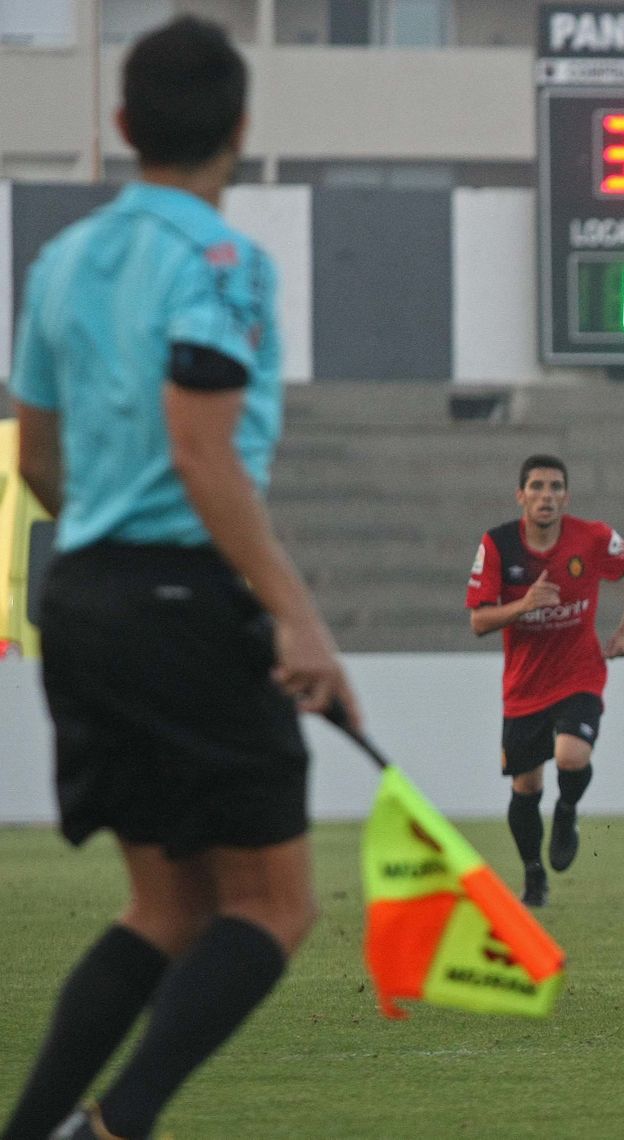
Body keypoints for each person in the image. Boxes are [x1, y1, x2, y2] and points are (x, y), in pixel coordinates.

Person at [2, 18, 360, 1140]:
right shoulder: (223, 262)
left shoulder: (62, 259)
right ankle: (120, 1127)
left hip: (83, 594)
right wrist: (300, 621)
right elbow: (203, 454)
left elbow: (38, 453)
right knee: (275, 905)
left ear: (121, 127)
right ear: (243, 131)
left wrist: (108, 538)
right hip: (179, 599)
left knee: (166, 907)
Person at [466, 455, 624, 907]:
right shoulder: (499, 545)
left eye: (555, 487)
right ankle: (533, 873)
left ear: (565, 496)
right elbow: (479, 621)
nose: (546, 495)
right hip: (524, 688)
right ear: (521, 495)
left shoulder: (592, 537)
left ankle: (566, 813)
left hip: (579, 675)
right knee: (526, 787)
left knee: (571, 755)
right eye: (537, 487)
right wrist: (523, 606)